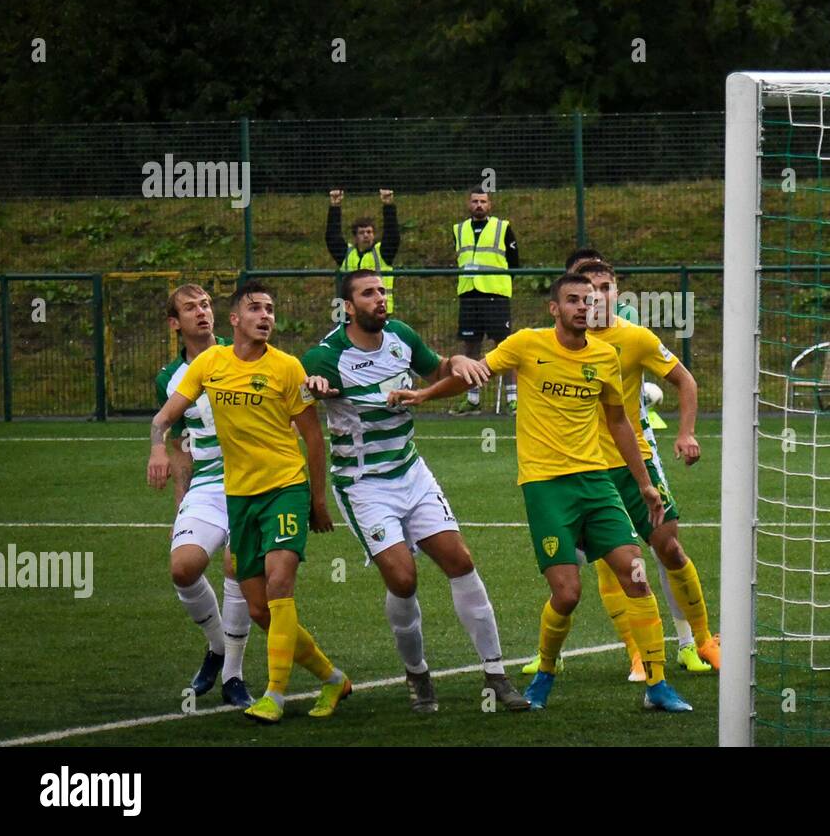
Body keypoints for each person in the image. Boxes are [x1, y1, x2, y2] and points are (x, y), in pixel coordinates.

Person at [389, 273, 693, 712]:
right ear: (554, 308)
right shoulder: (526, 345)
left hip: (596, 482)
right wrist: (425, 393)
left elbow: (619, 421)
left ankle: (658, 685)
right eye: (572, 300)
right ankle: (546, 672)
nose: (582, 308)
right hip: (546, 486)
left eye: (588, 301)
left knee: (636, 574)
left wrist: (645, 483)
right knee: (567, 594)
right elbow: (475, 374)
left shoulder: (605, 356)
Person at [300, 269, 529, 713]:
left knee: (461, 561)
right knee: (403, 579)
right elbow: (302, 395)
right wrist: (312, 387)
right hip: (364, 484)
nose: (379, 299)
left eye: (382, 291)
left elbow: (439, 368)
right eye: (368, 293)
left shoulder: (400, 336)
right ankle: (418, 673)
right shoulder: (325, 356)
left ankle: (496, 673)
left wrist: (456, 363)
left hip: (411, 472)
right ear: (348, 307)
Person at [148, 280, 351, 724]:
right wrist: (158, 445)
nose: (266, 316)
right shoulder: (210, 364)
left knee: (280, 586)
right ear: (236, 319)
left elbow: (313, 435)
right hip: (236, 496)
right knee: (259, 608)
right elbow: (166, 417)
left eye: (271, 309)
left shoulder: (287, 367)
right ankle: (333, 677)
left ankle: (273, 694)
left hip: (284, 488)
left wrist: (317, 499)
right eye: (256, 308)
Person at [521, 259, 717, 680]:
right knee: (609, 566)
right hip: (581, 470)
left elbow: (685, 380)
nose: (598, 296)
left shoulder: (635, 338)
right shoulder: (552, 345)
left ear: (616, 292)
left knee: (669, 548)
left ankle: (701, 641)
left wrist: (687, 433)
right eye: (588, 289)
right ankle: (635, 652)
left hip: (636, 463)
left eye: (606, 287)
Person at [153, 284, 254, 707]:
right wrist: (181, 492)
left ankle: (233, 674)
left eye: (207, 305)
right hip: (209, 484)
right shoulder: (169, 378)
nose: (202, 312)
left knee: (235, 566)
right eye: (191, 308)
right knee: (183, 568)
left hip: (252, 480)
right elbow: (178, 441)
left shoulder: (246, 352)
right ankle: (216, 648)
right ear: (175, 323)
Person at [451, 186, 519, 414]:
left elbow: (514, 262)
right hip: (469, 294)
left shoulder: (502, 227)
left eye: (483, 201)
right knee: (471, 348)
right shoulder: (459, 230)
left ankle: (513, 399)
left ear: (489, 205)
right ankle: (472, 400)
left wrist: (498, 283)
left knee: (504, 346)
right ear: (468, 204)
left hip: (495, 295)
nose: (479, 205)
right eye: (475, 201)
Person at [327, 188, 400, 315]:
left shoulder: (382, 253)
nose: (366, 235)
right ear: (355, 236)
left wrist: (388, 205)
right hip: (350, 311)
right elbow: (332, 236)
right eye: (361, 232)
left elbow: (392, 235)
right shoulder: (347, 253)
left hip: (379, 310)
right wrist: (335, 206)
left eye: (369, 232)